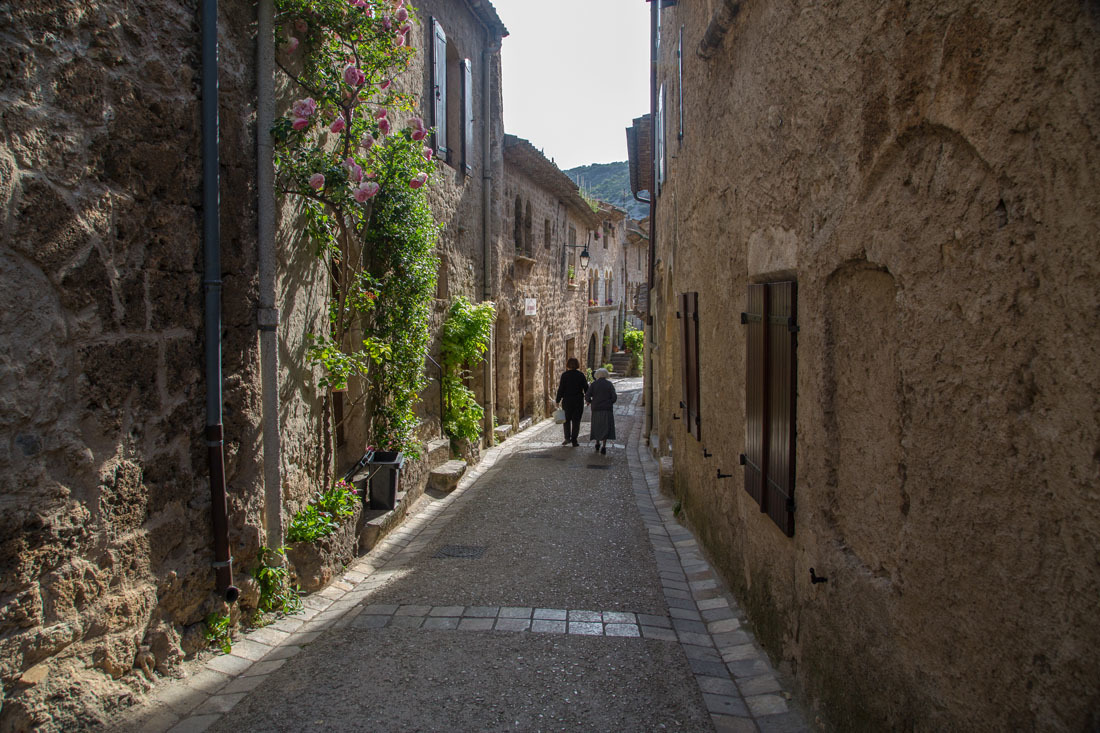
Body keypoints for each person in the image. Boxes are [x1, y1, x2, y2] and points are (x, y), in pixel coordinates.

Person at [554, 357, 588, 447]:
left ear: (568, 365)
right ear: (577, 365)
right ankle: (574, 440)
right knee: (576, 421)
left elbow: (561, 389)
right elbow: (586, 388)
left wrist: (557, 400)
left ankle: (567, 438)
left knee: (566, 420)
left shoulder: (565, 375)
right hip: (578, 401)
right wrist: (588, 399)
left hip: (567, 401)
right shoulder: (581, 375)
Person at [585, 367, 617, 454]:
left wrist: (591, 401)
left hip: (596, 408)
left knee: (597, 425)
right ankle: (604, 445)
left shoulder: (594, 384)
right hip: (607, 409)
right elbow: (614, 397)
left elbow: (587, 395)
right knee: (605, 426)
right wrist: (609, 402)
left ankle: (597, 442)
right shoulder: (609, 384)